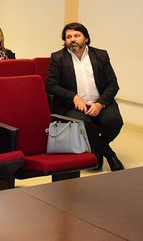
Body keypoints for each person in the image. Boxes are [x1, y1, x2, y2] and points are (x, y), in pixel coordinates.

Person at [46, 22, 124, 172]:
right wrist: (74, 97)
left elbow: (113, 84)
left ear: (86, 38)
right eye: (68, 37)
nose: (73, 39)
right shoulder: (58, 58)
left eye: (77, 35)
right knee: (83, 124)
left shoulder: (100, 55)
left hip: (100, 103)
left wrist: (100, 103)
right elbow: (51, 85)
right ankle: (110, 156)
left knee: (115, 121)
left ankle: (98, 148)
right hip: (73, 106)